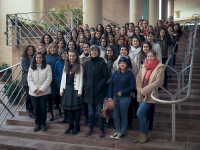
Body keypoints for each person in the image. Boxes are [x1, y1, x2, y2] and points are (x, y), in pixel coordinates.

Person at [134, 50, 165, 144]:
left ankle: (145, 134)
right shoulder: (145, 66)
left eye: (151, 56)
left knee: (139, 113)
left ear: (155, 57)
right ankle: (142, 134)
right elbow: (138, 78)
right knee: (142, 115)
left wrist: (144, 90)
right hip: (141, 93)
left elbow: (158, 82)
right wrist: (140, 90)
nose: (149, 58)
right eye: (148, 56)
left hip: (150, 95)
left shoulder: (160, 67)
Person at [83, 45, 108, 138]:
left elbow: (106, 76)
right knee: (90, 112)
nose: (93, 52)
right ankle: (90, 128)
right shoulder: (87, 63)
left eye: (95, 51)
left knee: (100, 111)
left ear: (98, 52)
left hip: (99, 90)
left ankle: (101, 130)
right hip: (89, 91)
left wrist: (100, 84)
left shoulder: (102, 62)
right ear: (90, 52)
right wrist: (85, 85)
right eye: (92, 51)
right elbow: (84, 76)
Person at [109, 57, 135, 139]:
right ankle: (117, 131)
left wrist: (123, 92)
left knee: (123, 115)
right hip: (115, 97)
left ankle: (122, 132)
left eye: (124, 63)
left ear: (126, 64)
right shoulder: (115, 73)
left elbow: (132, 86)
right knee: (115, 115)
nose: (122, 64)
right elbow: (111, 85)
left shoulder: (130, 74)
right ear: (118, 64)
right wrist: (110, 97)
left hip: (125, 98)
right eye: (121, 63)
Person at [60, 50, 84, 134]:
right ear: (68, 57)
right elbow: (63, 78)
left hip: (75, 89)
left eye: (73, 56)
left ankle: (77, 126)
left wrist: (79, 91)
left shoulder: (79, 66)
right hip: (67, 89)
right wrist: (61, 89)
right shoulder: (66, 65)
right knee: (68, 109)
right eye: (70, 56)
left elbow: (81, 79)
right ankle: (71, 125)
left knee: (76, 109)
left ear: (76, 57)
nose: (71, 57)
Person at [28, 52, 52, 132]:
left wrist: (41, 89)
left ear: (43, 58)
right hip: (33, 92)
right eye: (37, 57)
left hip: (44, 92)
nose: (38, 59)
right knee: (36, 109)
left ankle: (43, 124)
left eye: (40, 57)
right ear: (35, 58)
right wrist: (35, 89)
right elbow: (29, 79)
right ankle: (37, 124)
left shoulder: (47, 67)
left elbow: (49, 79)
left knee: (43, 109)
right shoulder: (31, 67)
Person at [45, 43, 60, 121]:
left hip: (54, 80)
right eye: (51, 48)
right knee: (48, 97)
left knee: (55, 96)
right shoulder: (46, 57)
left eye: (54, 48)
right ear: (49, 49)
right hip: (47, 80)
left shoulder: (58, 57)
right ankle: (51, 114)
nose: (52, 49)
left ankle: (58, 108)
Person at [21, 45, 36, 119]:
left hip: (34, 80)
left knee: (32, 95)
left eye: (32, 50)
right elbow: (25, 69)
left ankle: (29, 108)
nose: (31, 51)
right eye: (29, 50)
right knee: (29, 95)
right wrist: (35, 72)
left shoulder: (35, 57)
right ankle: (30, 111)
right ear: (26, 51)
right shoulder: (24, 58)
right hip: (26, 80)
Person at [54, 49, 68, 123]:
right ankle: (65, 117)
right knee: (63, 102)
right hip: (60, 84)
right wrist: (57, 82)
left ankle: (68, 117)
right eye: (62, 53)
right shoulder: (57, 63)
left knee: (67, 102)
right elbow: (55, 73)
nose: (63, 55)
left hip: (68, 85)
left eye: (65, 53)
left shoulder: (69, 62)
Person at [79, 42, 91, 126]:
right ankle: (87, 118)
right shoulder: (80, 58)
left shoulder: (93, 57)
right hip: (83, 82)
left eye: (87, 47)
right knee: (85, 103)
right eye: (84, 47)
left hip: (91, 82)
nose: (86, 49)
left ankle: (91, 118)